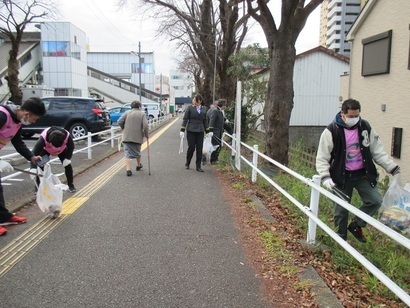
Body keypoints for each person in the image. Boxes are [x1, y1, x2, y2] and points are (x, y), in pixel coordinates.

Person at [316, 98, 400, 243]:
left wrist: (391, 167)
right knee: (341, 211)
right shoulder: (332, 130)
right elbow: (322, 156)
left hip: (363, 174)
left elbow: (377, 151)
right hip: (341, 176)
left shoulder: (365, 127)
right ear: (342, 114)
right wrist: (325, 176)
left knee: (375, 201)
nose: (354, 119)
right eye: (351, 116)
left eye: (356, 116)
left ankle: (356, 225)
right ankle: (340, 242)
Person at [0, 97, 46, 236]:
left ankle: (4, 217)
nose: (34, 122)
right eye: (35, 119)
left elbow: (17, 142)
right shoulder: (2, 116)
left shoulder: (17, 122)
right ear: (27, 114)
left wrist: (31, 157)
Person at [29, 126, 76, 193]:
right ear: (50, 142)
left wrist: (68, 158)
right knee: (40, 166)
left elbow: (71, 147)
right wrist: (33, 167)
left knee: (67, 165)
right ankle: (38, 187)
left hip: (62, 150)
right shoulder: (43, 138)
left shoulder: (66, 136)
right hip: (46, 150)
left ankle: (71, 185)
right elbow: (34, 153)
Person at [118, 100, 149, 176]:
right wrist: (146, 135)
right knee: (137, 152)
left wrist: (123, 127)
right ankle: (138, 165)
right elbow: (145, 126)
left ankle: (128, 170)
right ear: (139, 106)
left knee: (127, 154)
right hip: (137, 137)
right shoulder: (142, 114)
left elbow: (119, 121)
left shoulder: (127, 113)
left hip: (126, 136)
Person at [180, 94, 207, 172]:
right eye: (194, 100)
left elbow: (205, 121)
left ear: (200, 101)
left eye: (195, 100)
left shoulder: (204, 109)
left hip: (200, 131)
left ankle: (198, 166)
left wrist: (208, 131)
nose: (194, 101)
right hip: (191, 130)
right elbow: (185, 119)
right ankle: (187, 163)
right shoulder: (190, 108)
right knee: (191, 148)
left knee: (199, 148)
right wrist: (182, 130)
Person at [207, 99, 227, 164]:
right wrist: (211, 130)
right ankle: (213, 159)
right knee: (216, 146)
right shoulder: (216, 111)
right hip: (215, 132)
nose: (225, 106)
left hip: (219, 132)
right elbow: (212, 121)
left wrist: (225, 120)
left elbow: (221, 120)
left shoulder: (219, 111)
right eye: (225, 105)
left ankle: (214, 159)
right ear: (222, 105)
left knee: (217, 146)